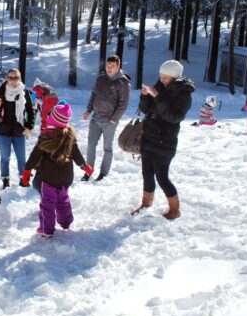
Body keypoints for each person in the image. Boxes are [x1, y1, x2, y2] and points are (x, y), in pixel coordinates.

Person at [21, 102, 93, 238]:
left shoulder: (46, 136)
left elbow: (35, 156)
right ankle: (66, 222)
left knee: (48, 204)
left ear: (52, 119)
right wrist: (84, 166)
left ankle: (47, 230)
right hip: (66, 177)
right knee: (63, 200)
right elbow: (76, 154)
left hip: (49, 178)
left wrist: (27, 170)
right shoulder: (70, 135)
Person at [133, 60, 194, 219]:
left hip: (164, 142)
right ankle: (146, 204)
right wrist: (145, 97)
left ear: (174, 77)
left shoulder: (183, 94)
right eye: (160, 76)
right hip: (148, 138)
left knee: (162, 177)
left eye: (165, 77)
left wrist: (157, 96)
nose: (161, 80)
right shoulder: (160, 85)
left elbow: (173, 117)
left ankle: (174, 209)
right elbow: (146, 110)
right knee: (147, 174)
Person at [81, 54, 130, 182]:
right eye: (108, 65)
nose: (109, 68)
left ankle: (103, 173)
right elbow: (93, 95)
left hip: (110, 121)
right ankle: (88, 172)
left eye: (112, 66)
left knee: (107, 148)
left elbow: (123, 104)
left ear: (118, 66)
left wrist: (114, 118)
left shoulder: (123, 82)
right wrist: (88, 111)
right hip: (96, 118)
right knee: (91, 146)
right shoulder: (101, 78)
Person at [0, 69, 35, 189]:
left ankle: (24, 179)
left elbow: (31, 112)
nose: (13, 80)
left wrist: (29, 127)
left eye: (15, 78)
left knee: (21, 158)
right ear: (7, 78)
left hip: (19, 129)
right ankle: (5, 180)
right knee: (5, 157)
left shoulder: (24, 92)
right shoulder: (1, 91)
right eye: (10, 78)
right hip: (2, 130)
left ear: (19, 79)